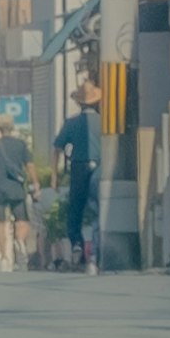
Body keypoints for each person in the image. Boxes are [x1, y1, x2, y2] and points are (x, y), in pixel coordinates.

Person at [54, 95, 99, 272]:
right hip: (101, 166)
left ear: (79, 104)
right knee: (98, 209)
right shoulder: (105, 121)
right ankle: (96, 252)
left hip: (79, 167)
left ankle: (77, 244)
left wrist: (54, 176)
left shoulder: (71, 123)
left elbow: (57, 148)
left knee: (75, 209)